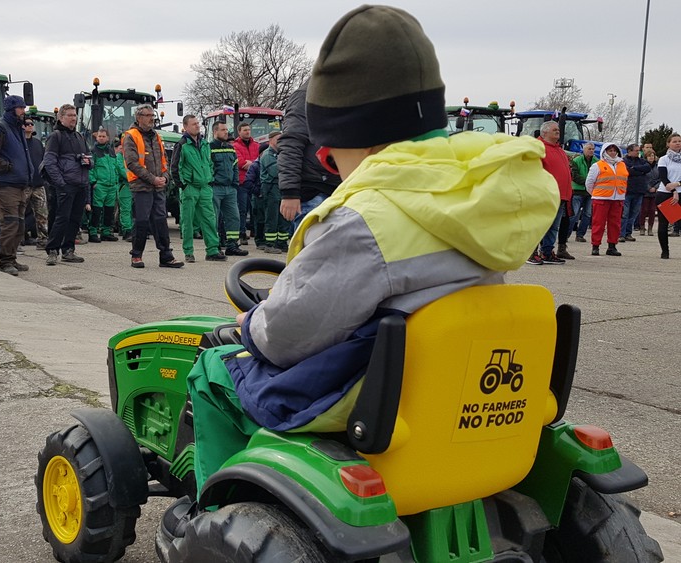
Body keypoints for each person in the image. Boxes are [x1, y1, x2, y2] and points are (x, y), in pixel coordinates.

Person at [170, 6, 559, 538]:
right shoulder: (482, 195)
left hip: (375, 397)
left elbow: (287, 335)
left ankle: (213, 518)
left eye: (331, 156)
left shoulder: (362, 220)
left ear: (358, 137)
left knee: (215, 369)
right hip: (462, 387)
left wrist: (249, 327)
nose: (330, 165)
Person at [122, 104, 184, 269]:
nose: (152, 119)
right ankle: (136, 255)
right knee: (141, 221)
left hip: (158, 186)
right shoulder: (130, 136)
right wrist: (153, 179)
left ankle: (166, 256)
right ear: (139, 117)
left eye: (153, 115)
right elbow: (132, 163)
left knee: (160, 221)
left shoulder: (156, 136)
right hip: (141, 186)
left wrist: (164, 177)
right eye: (148, 115)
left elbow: (164, 161)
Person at [277, 78, 342, 231]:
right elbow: (291, 143)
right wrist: (290, 193)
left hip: (340, 188)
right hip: (315, 191)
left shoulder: (343, 92)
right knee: (312, 252)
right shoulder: (306, 95)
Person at [0, 95, 33, 275]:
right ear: (12, 109)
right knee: (10, 222)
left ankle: (11, 258)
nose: (23, 111)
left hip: (20, 183)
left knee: (19, 224)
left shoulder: (17, 128)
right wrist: (7, 166)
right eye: (21, 108)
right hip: (6, 184)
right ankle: (5, 261)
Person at [170, 114, 225, 263]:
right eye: (193, 124)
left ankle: (212, 250)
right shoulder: (182, 144)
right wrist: (183, 185)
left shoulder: (204, 144)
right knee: (187, 221)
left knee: (209, 219)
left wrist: (210, 178)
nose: (197, 126)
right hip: (190, 188)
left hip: (205, 187)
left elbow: (209, 163)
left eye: (197, 123)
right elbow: (175, 167)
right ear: (186, 127)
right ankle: (188, 251)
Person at [42, 104, 91, 266]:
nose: (73, 118)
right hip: (65, 185)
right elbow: (49, 162)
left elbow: (89, 158)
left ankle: (68, 250)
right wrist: (61, 183)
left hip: (81, 184)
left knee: (75, 219)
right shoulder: (55, 137)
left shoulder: (79, 137)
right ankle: (52, 250)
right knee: (61, 218)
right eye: (70, 115)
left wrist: (88, 162)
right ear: (61, 118)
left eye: (75, 115)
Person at [526, 120, 572, 265]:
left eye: (558, 130)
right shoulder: (538, 148)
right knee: (539, 225)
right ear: (544, 132)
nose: (558, 131)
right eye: (554, 130)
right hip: (545, 195)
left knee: (553, 227)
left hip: (560, 195)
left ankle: (547, 252)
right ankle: (530, 253)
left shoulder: (559, 150)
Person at [208, 121, 247, 256]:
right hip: (215, 188)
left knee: (234, 217)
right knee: (214, 218)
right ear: (215, 132)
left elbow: (235, 166)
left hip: (230, 188)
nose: (226, 132)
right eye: (223, 130)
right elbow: (208, 167)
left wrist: (235, 184)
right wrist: (211, 182)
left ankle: (232, 245)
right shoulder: (209, 147)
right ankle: (215, 245)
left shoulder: (230, 148)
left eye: (226, 129)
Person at [584, 143, 627, 256]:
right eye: (610, 151)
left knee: (615, 224)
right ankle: (595, 246)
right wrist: (595, 194)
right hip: (601, 198)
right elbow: (589, 183)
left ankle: (612, 246)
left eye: (614, 150)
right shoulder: (597, 165)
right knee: (598, 223)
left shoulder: (622, 165)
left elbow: (624, 181)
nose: (613, 153)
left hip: (617, 198)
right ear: (604, 152)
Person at [87, 128, 121, 243]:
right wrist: (93, 182)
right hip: (100, 185)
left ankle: (106, 232)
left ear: (107, 138)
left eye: (103, 136)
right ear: (96, 138)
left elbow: (115, 166)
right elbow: (90, 168)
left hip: (111, 185)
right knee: (96, 210)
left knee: (109, 210)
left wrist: (116, 180)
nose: (101, 138)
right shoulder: (93, 151)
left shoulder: (111, 151)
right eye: (99, 136)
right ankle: (93, 232)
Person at [259, 131, 289, 253]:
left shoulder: (280, 154)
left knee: (284, 217)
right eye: (278, 139)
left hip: (280, 187)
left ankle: (282, 243)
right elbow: (275, 171)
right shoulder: (267, 154)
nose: (281, 142)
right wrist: (287, 168)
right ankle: (269, 244)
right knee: (272, 217)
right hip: (271, 187)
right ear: (270, 140)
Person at [24, 117, 49, 249]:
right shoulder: (18, 143)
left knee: (42, 214)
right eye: (26, 124)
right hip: (23, 184)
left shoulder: (38, 143)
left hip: (38, 184)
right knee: (18, 214)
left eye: (31, 124)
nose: (29, 126)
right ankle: (19, 240)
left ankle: (43, 240)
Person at [233, 122, 260, 244]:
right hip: (242, 182)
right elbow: (240, 162)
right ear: (239, 132)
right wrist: (253, 164)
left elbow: (260, 160)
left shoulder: (256, 145)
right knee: (242, 209)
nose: (248, 132)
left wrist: (251, 163)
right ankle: (242, 232)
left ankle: (255, 231)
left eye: (249, 130)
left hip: (254, 182)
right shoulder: (235, 146)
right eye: (245, 130)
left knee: (255, 208)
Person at [655, 133, 681, 259]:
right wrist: (673, 191)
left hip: (679, 191)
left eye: (679, 141)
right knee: (663, 224)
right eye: (674, 141)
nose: (677, 143)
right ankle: (665, 251)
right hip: (665, 193)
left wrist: (678, 184)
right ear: (668, 144)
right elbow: (663, 177)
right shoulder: (664, 159)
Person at [621, 143, 651, 242]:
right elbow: (628, 171)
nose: (638, 152)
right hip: (627, 191)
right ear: (629, 151)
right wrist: (640, 171)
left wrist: (635, 169)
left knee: (633, 214)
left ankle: (628, 233)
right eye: (636, 150)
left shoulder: (642, 161)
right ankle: (621, 233)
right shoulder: (623, 161)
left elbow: (647, 168)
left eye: (639, 151)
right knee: (624, 214)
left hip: (639, 191)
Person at [569, 143, 597, 243]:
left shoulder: (596, 162)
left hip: (590, 192)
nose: (591, 151)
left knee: (588, 214)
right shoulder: (576, 161)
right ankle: (566, 234)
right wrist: (588, 181)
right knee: (574, 214)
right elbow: (574, 175)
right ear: (584, 150)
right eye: (589, 149)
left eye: (593, 149)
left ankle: (580, 235)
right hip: (578, 190)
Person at [115, 141, 133, 241]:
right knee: (125, 209)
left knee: (129, 210)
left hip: (130, 185)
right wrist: (134, 177)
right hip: (124, 186)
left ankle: (127, 229)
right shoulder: (119, 157)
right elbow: (122, 171)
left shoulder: (129, 157)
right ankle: (127, 231)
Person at [640, 149, 660, 236]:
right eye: (649, 156)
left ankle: (650, 228)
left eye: (653, 155)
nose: (651, 157)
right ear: (646, 157)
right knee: (643, 210)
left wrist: (655, 187)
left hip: (654, 192)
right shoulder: (643, 166)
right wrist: (648, 188)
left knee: (652, 211)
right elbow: (642, 178)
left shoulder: (658, 166)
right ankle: (642, 227)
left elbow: (660, 178)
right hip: (645, 191)